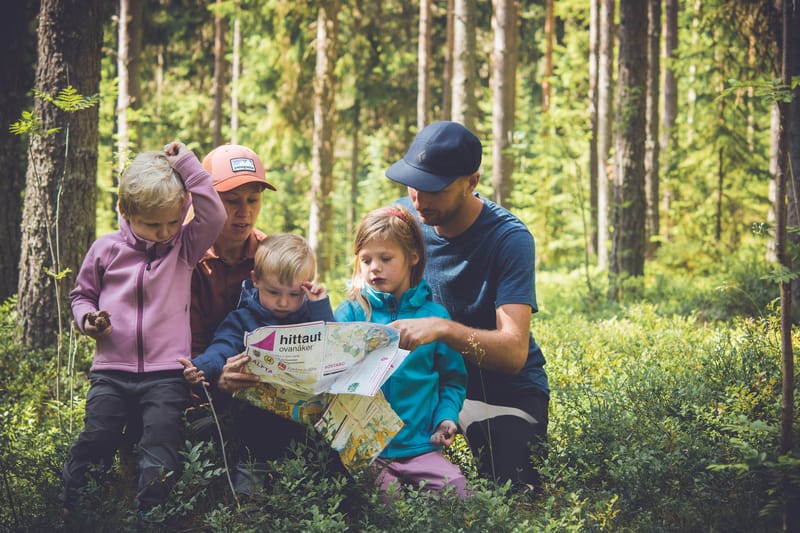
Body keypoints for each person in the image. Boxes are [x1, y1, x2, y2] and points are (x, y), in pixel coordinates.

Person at [61, 142, 227, 519]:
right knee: (97, 437)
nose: (164, 232)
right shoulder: (106, 250)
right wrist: (88, 321)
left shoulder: (183, 248)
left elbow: (214, 215)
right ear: (126, 211)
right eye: (153, 224)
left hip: (166, 374)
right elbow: (81, 295)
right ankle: (76, 507)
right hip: (110, 371)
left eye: (173, 221)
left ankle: (152, 516)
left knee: (162, 443)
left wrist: (186, 163)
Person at [385, 121, 550, 492]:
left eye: (435, 188)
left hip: (503, 393)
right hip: (425, 385)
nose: (419, 199)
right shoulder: (400, 222)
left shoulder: (509, 238)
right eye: (414, 184)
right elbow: (365, 298)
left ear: (471, 182)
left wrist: (443, 329)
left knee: (510, 486)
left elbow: (512, 352)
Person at [180, 233, 333, 499]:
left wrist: (320, 306)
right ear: (255, 280)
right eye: (273, 292)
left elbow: (333, 344)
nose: (283, 303)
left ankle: (308, 486)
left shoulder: (310, 316)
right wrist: (202, 366)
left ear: (307, 288)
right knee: (255, 428)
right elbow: (222, 347)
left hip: (304, 416)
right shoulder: (243, 318)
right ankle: (251, 484)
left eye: (295, 294)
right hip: (257, 413)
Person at [334, 206, 468, 499]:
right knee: (387, 505)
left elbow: (452, 379)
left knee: (459, 493)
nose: (374, 268)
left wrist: (446, 417)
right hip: (368, 451)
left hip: (420, 447)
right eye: (366, 259)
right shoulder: (351, 313)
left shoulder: (434, 318)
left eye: (385, 258)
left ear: (413, 256)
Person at [190, 143, 277, 356]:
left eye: (253, 200)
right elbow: (187, 344)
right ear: (207, 201)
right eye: (232, 200)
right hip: (197, 375)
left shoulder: (272, 257)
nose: (244, 211)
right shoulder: (188, 258)